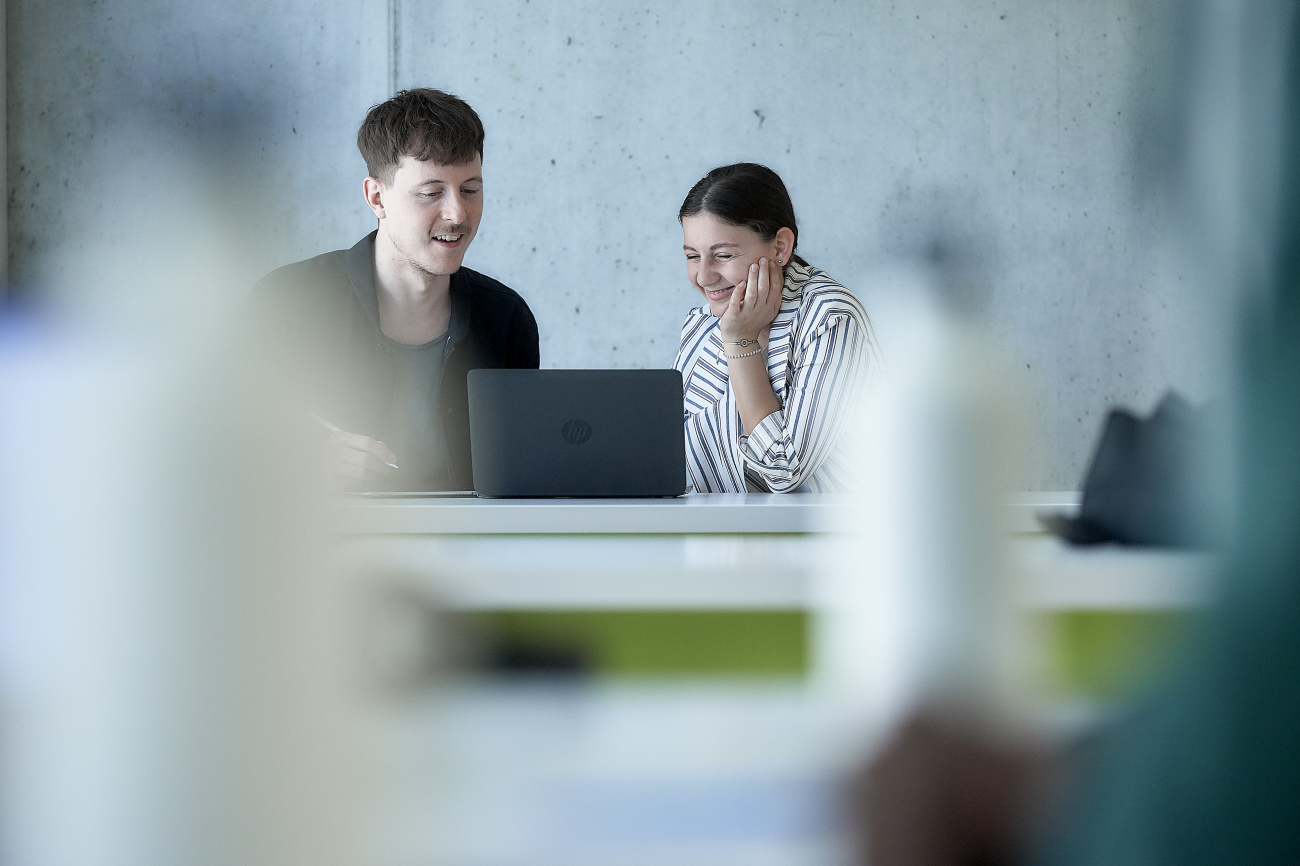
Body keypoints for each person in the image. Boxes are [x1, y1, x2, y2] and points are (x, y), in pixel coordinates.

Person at [247, 88, 539, 491]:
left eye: (470, 189)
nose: (457, 213)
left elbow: (516, 476)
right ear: (376, 197)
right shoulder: (287, 303)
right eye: (430, 193)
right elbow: (218, 445)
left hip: (471, 549)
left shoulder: (506, 319)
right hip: (331, 548)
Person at [673, 163, 881, 493]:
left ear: (780, 247)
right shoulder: (700, 325)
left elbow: (783, 471)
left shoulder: (830, 318)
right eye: (692, 256)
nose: (703, 276)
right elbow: (677, 462)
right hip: (718, 533)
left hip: (819, 539)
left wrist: (740, 341)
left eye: (723, 255)